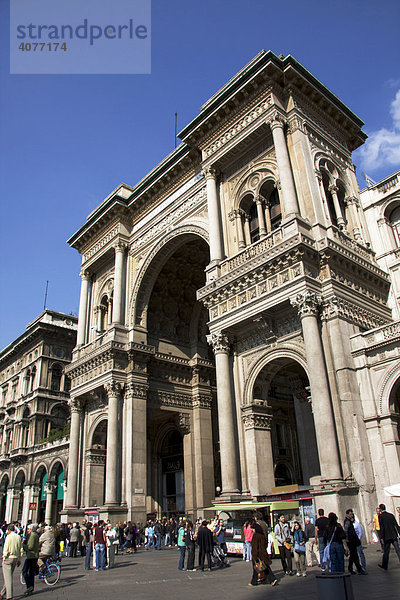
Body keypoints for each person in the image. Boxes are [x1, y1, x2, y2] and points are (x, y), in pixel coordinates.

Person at [248, 520, 278, 587]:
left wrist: (254, 556)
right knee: (265, 567)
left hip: (258, 555)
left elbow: (255, 547)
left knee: (258, 568)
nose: (252, 530)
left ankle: (255, 581)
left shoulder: (255, 536)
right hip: (263, 553)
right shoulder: (262, 535)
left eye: (253, 529)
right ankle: (271, 579)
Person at [1, 524, 23, 600]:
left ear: (9, 530)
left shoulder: (8, 537)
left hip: (8, 558)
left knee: (8, 578)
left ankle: (9, 596)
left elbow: (6, 548)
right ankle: (2, 593)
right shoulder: (18, 537)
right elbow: (21, 549)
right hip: (15, 558)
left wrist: (4, 556)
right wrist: (19, 559)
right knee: (8, 576)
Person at [378, 503, 400, 571]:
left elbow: (382, 527)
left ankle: (385, 565)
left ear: (380, 509)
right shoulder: (391, 515)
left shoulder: (380, 516)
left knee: (386, 551)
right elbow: (396, 525)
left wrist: (381, 537)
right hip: (393, 535)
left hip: (386, 536)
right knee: (398, 550)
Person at [343, 509, 364, 574]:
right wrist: (346, 540)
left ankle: (351, 568)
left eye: (352, 514)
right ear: (347, 515)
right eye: (350, 514)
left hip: (352, 540)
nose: (351, 516)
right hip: (351, 541)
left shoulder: (349, 521)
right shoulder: (347, 522)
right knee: (354, 556)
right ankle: (359, 569)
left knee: (353, 556)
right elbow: (346, 531)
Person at [22, 523, 39, 596]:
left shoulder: (33, 536)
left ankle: (29, 586)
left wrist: (23, 545)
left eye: (28, 529)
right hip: (35, 556)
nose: (28, 530)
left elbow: (30, 547)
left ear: (31, 529)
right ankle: (31, 587)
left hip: (31, 556)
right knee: (31, 572)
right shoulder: (36, 535)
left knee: (24, 571)